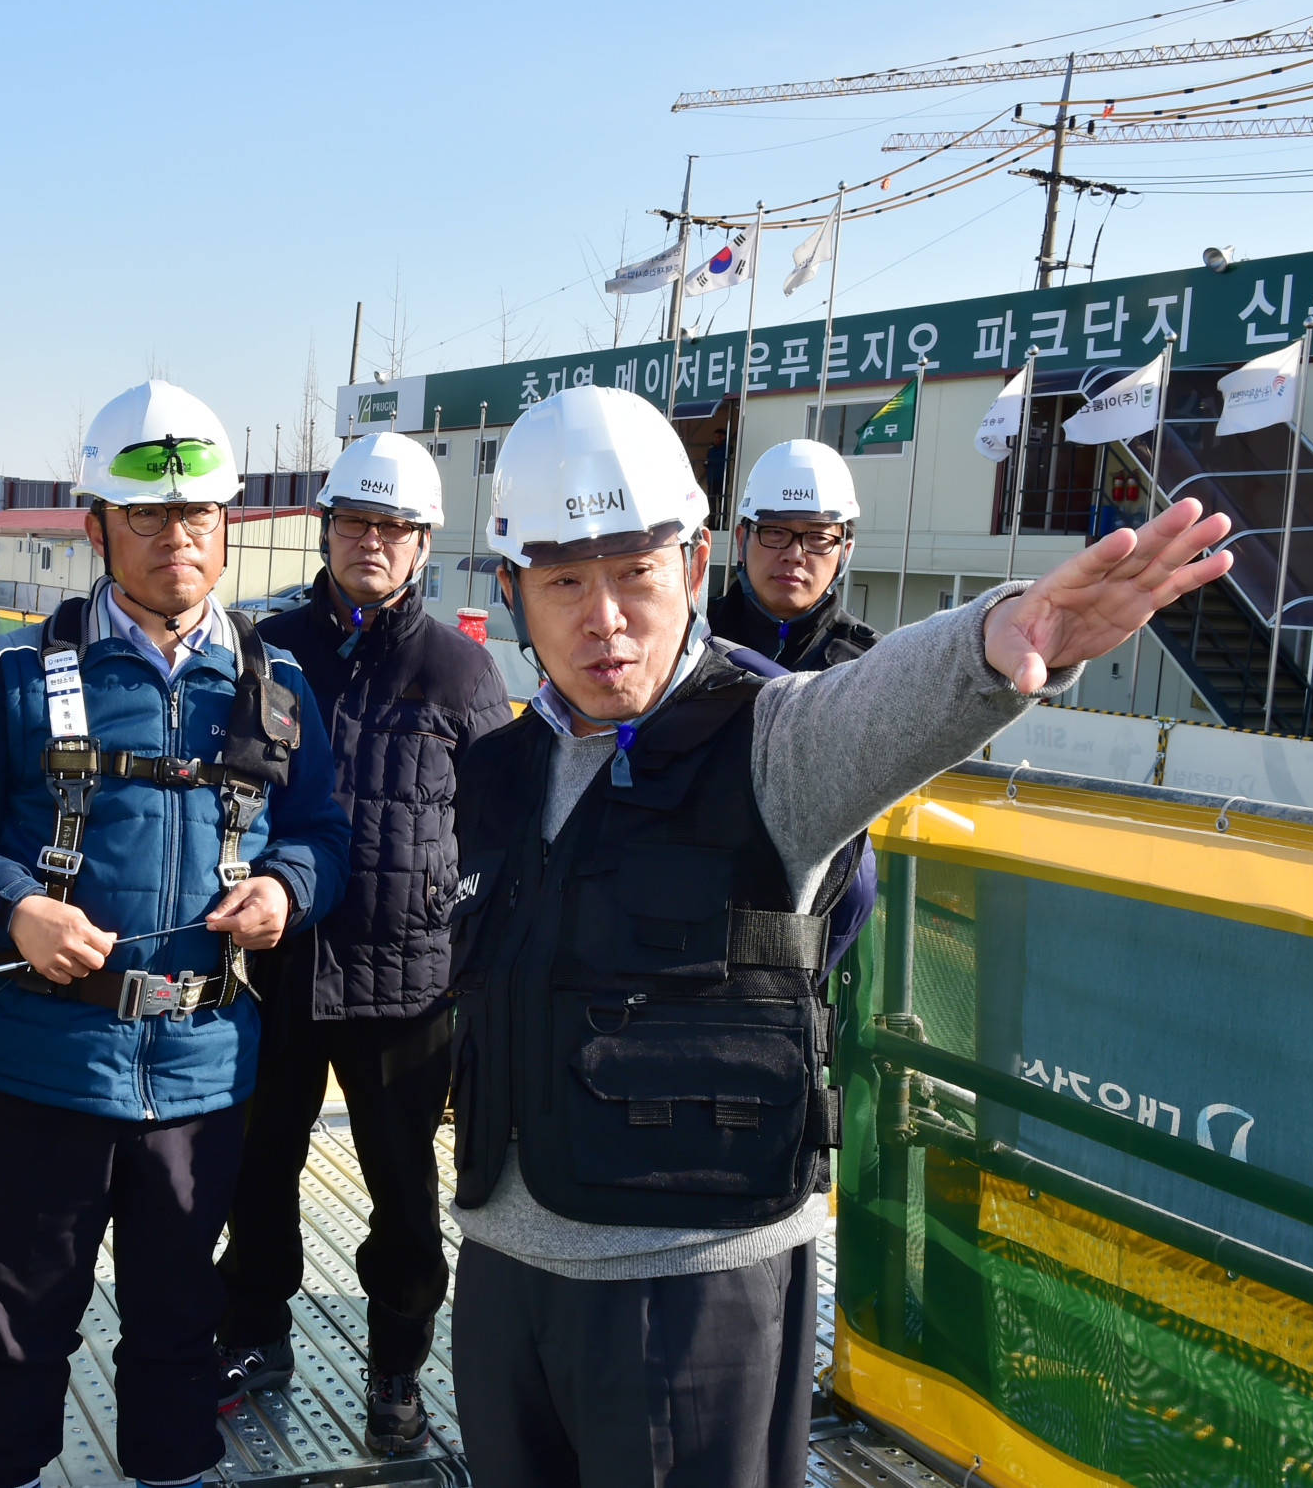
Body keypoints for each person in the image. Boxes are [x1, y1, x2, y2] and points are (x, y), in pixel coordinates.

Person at [444, 384, 1233, 1488]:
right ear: (513, 589)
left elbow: (877, 705)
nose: (605, 616)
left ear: (693, 560)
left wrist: (999, 642)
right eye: (566, 580)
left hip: (692, 1291)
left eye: (634, 572)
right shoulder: (495, 769)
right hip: (502, 1276)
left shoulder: (770, 743)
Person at [0, 381, 352, 1488]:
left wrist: (288, 887)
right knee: (20, 1319)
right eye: (146, 515)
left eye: (197, 515)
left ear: (226, 529)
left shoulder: (274, 690)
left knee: (181, 1317)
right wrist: (16, 906)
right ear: (97, 526)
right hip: (43, 1067)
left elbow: (326, 832)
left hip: (199, 1073)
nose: (175, 538)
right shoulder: (14, 679)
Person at [214, 432, 511, 1452]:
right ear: (328, 527)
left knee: (401, 1189)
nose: (373, 541)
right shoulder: (269, 646)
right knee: (260, 1169)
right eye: (358, 521)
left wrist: (473, 965)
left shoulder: (461, 667)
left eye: (395, 526)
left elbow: (497, 830)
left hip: (406, 979)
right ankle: (254, 1333)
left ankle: (396, 1368)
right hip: (279, 964)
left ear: (424, 541)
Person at [707, 438, 880, 672]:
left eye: (818, 537)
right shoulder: (685, 638)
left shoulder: (871, 666)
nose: (795, 555)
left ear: (845, 553)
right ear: (741, 542)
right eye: (775, 532)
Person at [703, 425, 729, 499]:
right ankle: (712, 511)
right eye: (714, 437)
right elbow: (707, 460)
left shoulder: (726, 448)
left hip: (721, 478)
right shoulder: (711, 448)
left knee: (722, 500)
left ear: (723, 437)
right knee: (711, 500)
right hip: (711, 478)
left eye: (718, 437)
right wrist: (706, 464)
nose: (715, 439)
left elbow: (729, 451)